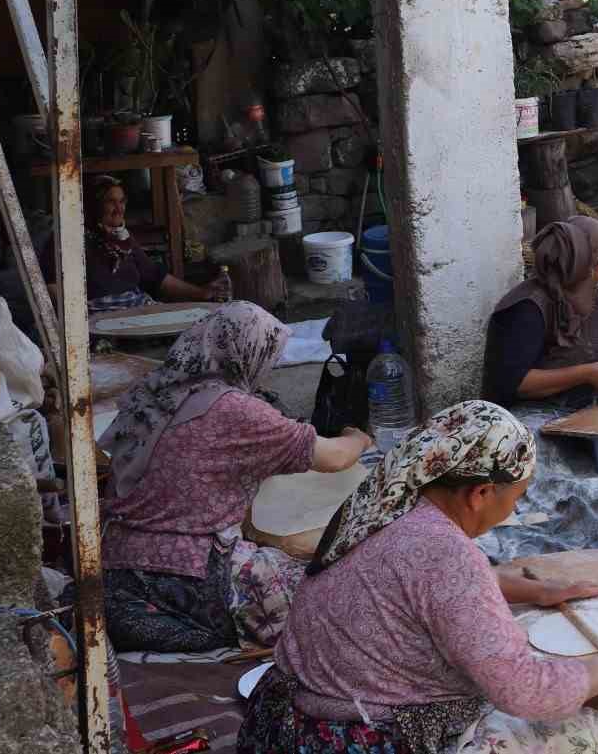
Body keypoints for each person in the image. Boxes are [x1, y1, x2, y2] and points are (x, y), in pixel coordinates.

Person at [238, 401, 598, 754]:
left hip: (277, 721)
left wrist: (533, 590)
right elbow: (528, 693)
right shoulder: (445, 554)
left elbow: (416, 583)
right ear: (481, 493)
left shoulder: (389, 505)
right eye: (516, 498)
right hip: (347, 738)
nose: (515, 511)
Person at [99, 303, 371, 652]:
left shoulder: (152, 392)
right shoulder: (234, 410)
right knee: (331, 596)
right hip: (185, 570)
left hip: (116, 558)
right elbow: (335, 458)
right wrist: (359, 437)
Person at [483, 216, 598, 404]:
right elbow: (514, 383)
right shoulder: (526, 308)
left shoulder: (586, 292)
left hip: (581, 403)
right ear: (587, 266)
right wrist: (586, 374)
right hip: (531, 414)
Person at [50, 174, 229, 312]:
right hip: (99, 317)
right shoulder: (70, 241)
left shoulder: (123, 239)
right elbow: (51, 288)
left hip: (136, 311)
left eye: (122, 201)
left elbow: (156, 277)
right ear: (94, 205)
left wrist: (202, 293)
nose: (119, 209)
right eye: (110, 202)